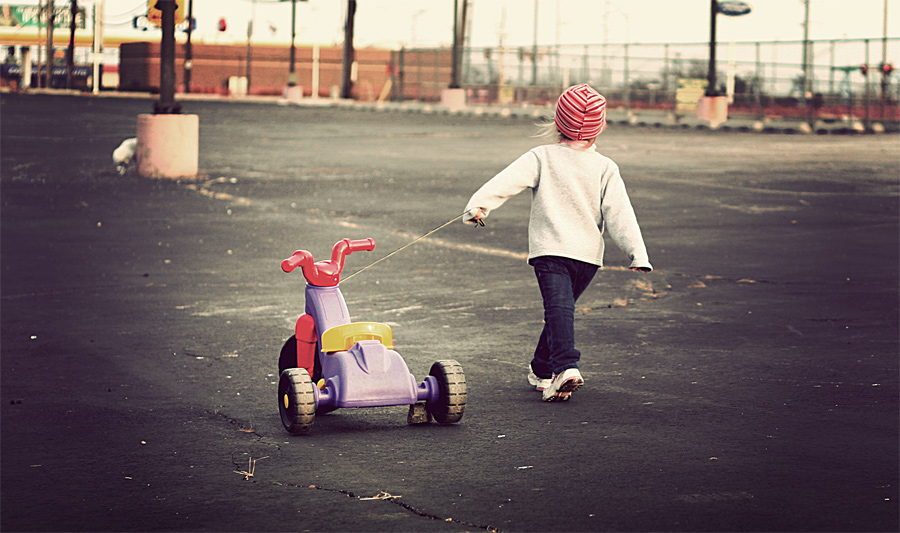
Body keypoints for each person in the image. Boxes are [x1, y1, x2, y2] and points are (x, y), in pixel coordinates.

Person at [463, 83, 652, 402]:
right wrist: (637, 253)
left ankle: (565, 366)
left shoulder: (542, 156)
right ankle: (542, 369)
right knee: (559, 311)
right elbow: (620, 213)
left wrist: (478, 207)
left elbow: (505, 182)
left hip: (551, 251)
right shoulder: (605, 167)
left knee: (559, 311)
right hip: (587, 258)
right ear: (601, 127)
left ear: (557, 121)